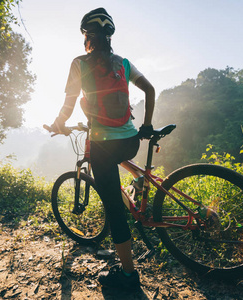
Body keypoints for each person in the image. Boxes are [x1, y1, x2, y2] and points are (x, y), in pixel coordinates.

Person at [51, 8, 155, 290]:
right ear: (109, 37)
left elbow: (69, 103)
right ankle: (135, 185)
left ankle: (129, 276)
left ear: (87, 36)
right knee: (119, 160)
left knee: (113, 207)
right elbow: (150, 90)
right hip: (131, 141)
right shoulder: (123, 63)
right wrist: (145, 125)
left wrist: (58, 124)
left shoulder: (79, 63)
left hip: (101, 145)